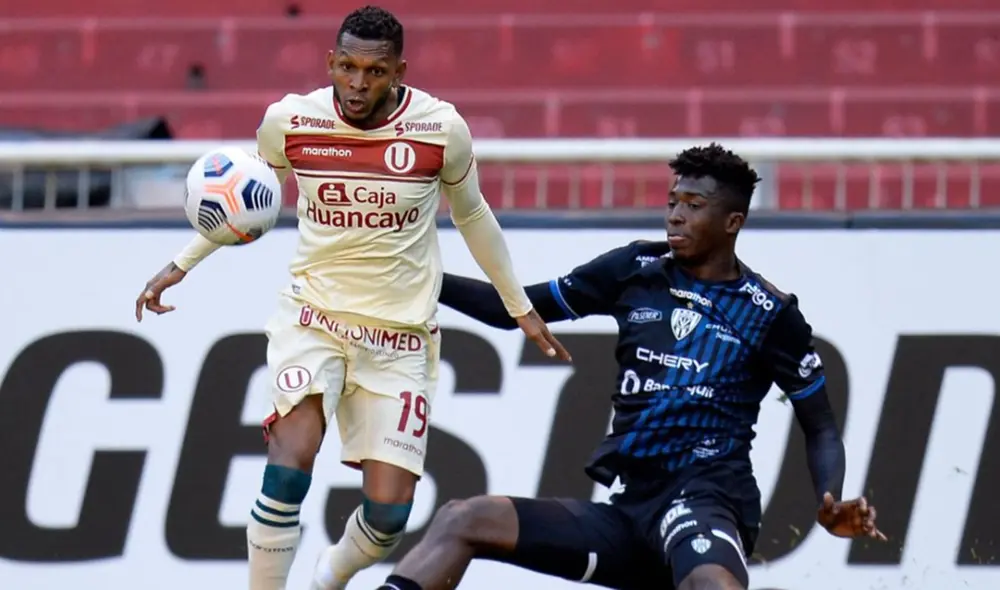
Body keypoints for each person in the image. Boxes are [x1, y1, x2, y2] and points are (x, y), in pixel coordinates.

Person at [133, 6, 570, 590]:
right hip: (313, 318)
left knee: (389, 515)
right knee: (292, 457)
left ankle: (331, 574)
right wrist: (179, 265)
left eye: (374, 71)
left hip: (400, 339)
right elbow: (242, 201)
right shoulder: (289, 121)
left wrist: (519, 305)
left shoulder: (440, 131)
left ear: (399, 72)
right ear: (330, 63)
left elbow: (473, 217)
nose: (358, 83)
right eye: (347, 67)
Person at [374, 143, 886, 590]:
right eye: (672, 202)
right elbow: (516, 311)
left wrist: (829, 499)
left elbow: (819, 425)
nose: (675, 216)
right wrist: (423, 277)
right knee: (464, 518)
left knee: (712, 583)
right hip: (632, 510)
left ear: (733, 222)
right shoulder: (634, 270)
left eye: (694, 205)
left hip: (706, 498)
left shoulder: (767, 312)